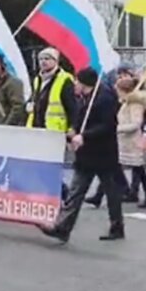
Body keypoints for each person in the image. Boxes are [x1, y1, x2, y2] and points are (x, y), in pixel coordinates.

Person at [43, 68, 124, 243]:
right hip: (86, 156)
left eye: (77, 82)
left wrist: (84, 135)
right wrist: (74, 130)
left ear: (85, 83)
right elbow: (81, 118)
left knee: (111, 193)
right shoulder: (83, 98)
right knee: (76, 191)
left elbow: (107, 125)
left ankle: (117, 227)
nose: (75, 85)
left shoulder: (104, 98)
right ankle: (63, 228)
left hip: (103, 154)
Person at [115, 73, 146, 210]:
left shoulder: (135, 104)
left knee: (139, 171)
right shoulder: (127, 103)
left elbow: (136, 124)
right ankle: (141, 195)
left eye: (119, 91)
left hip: (132, 141)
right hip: (125, 141)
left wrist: (118, 129)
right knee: (124, 168)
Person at [26, 47, 77, 132]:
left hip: (55, 130)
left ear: (55, 61)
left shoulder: (65, 79)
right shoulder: (37, 79)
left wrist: (72, 128)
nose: (43, 62)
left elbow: (72, 107)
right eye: (40, 59)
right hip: (36, 129)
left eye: (47, 58)